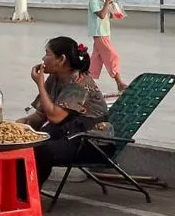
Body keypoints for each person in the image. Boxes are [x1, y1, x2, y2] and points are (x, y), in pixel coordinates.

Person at [16, 36, 112, 199]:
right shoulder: (54, 78)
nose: (43, 58)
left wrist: (39, 84)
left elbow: (55, 117)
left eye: (47, 54)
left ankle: (25, 198)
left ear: (61, 59)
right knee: (20, 143)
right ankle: (13, 193)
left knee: (40, 150)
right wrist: (17, 126)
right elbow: (40, 115)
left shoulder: (79, 82)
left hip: (91, 141)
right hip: (68, 133)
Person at [83, 0, 126, 94]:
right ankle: (119, 83)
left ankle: (87, 82)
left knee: (96, 59)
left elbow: (107, 16)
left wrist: (114, 8)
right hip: (100, 34)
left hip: (104, 33)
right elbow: (101, 15)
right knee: (112, 56)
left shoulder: (100, 1)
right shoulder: (94, 2)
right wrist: (107, 3)